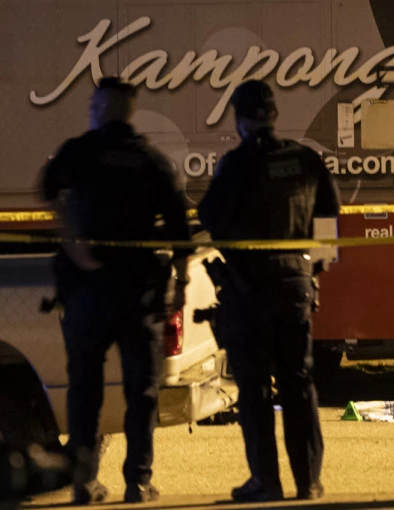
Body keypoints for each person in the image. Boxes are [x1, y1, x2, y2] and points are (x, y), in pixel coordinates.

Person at [39, 76, 191, 504]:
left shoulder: (78, 152)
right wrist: (180, 284)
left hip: (86, 291)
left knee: (84, 389)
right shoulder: (150, 161)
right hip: (137, 293)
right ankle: (138, 483)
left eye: (94, 103)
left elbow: (48, 192)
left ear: (101, 108)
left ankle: (83, 482)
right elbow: (180, 231)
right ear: (130, 110)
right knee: (141, 390)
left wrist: (73, 241)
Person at [197, 79, 340, 503]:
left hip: (250, 291)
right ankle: (308, 481)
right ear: (275, 115)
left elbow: (211, 217)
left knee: (256, 388)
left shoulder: (236, 164)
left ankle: (266, 481)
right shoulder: (305, 159)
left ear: (239, 120)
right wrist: (314, 270)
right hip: (296, 285)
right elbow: (329, 223)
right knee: (299, 383)